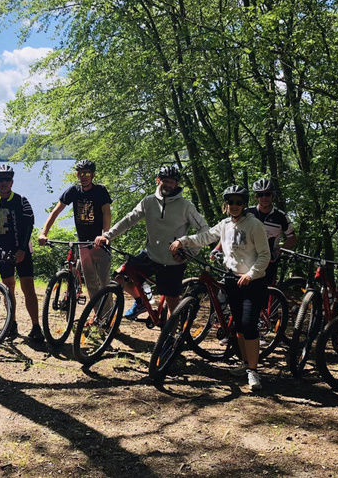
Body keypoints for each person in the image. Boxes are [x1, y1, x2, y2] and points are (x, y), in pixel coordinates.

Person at [170, 186, 270, 390]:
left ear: (244, 204)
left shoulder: (255, 225)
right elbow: (204, 237)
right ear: (226, 204)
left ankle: (254, 371)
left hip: (252, 283)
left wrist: (251, 274)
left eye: (239, 202)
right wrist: (182, 241)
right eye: (231, 202)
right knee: (238, 326)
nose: (234, 206)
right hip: (232, 280)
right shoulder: (224, 225)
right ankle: (245, 364)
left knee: (249, 325)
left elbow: (264, 255)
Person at [94, 165, 208, 317]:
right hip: (150, 255)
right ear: (158, 180)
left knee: (172, 305)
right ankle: (141, 302)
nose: (168, 185)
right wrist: (108, 236)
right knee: (120, 276)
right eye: (165, 181)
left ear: (177, 184)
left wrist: (189, 251)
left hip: (172, 261)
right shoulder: (149, 202)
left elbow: (204, 229)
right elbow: (129, 220)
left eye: (172, 182)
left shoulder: (186, 206)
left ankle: (172, 331)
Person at [38, 159, 112, 302]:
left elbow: (107, 213)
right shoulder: (73, 191)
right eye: (81, 173)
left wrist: (105, 234)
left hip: (100, 242)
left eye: (87, 173)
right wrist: (44, 233)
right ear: (77, 175)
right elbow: (55, 212)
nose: (84, 176)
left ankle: (109, 314)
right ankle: (97, 313)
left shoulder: (100, 191)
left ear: (93, 175)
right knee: (90, 283)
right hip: (83, 243)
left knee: (104, 283)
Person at [0, 164, 42, 342]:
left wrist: (22, 249)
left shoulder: (21, 200)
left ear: (12, 181)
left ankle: (36, 326)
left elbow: (29, 226)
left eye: (7, 179)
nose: (4, 182)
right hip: (2, 251)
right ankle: (11, 323)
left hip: (21, 249)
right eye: (0, 180)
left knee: (28, 287)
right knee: (8, 288)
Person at [246, 178, 297, 287]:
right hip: (247, 259)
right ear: (256, 197)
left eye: (267, 194)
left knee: (265, 291)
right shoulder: (247, 213)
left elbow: (292, 238)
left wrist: (279, 250)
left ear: (272, 195)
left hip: (269, 262)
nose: (264, 197)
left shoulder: (281, 216)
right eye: (260, 194)